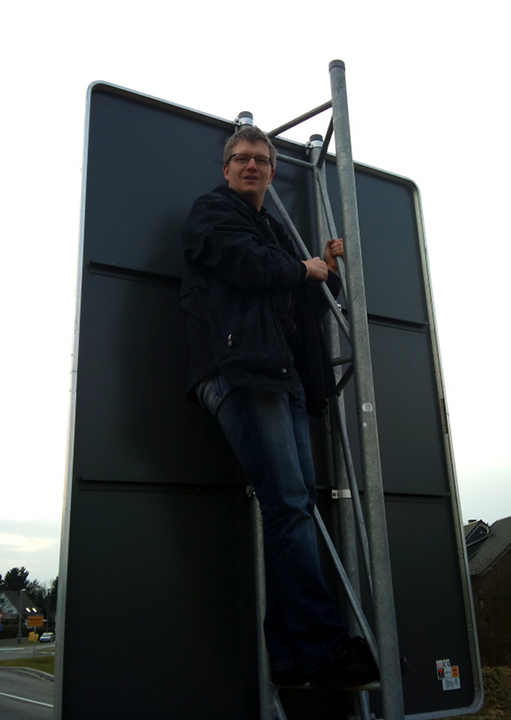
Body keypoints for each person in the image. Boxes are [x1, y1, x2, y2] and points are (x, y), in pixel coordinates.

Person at [180, 125, 379, 689]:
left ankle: (292, 659)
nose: (252, 166)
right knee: (289, 505)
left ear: (271, 171)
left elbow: (302, 303)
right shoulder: (213, 213)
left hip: (277, 375)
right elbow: (245, 264)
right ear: (226, 168)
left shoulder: (269, 229)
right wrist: (301, 267)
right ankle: (322, 648)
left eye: (261, 160)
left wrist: (326, 274)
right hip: (239, 372)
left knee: (291, 506)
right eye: (242, 158)